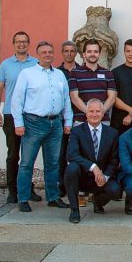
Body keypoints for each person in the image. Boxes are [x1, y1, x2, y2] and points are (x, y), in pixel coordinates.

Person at [11, 41, 73, 212]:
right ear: (37, 54)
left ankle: (53, 197)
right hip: (33, 123)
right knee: (26, 163)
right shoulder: (27, 74)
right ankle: (23, 198)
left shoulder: (59, 75)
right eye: (44, 52)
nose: (47, 54)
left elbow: (66, 99)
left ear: (54, 54)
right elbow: (17, 100)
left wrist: (68, 121)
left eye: (50, 52)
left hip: (55, 123)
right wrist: (19, 123)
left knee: (53, 163)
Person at [0, 31, 39, 203]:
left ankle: (27, 188)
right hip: (11, 115)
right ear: (14, 44)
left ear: (29, 44)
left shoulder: (36, 63)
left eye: (24, 42)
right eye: (18, 42)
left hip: (31, 116)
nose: (21, 44)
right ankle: (12, 190)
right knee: (13, 154)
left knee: (29, 155)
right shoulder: (6, 65)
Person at [64, 99, 123, 223]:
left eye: (98, 111)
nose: (94, 114)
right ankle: (74, 210)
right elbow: (71, 155)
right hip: (83, 177)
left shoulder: (112, 133)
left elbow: (114, 160)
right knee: (71, 168)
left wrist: (105, 176)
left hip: (102, 178)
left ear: (103, 114)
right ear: (86, 113)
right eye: (91, 111)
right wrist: (93, 167)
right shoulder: (77, 131)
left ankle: (98, 201)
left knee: (116, 191)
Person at [68, 40, 117, 126]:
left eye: (95, 51)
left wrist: (99, 114)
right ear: (84, 54)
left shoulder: (108, 73)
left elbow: (112, 97)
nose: (93, 54)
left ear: (99, 54)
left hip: (103, 121)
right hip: (81, 121)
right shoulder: (75, 73)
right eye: (89, 51)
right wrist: (90, 113)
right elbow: (74, 98)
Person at [55, 40, 79, 197]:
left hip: (79, 116)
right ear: (62, 53)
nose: (69, 53)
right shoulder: (56, 72)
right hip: (61, 118)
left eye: (72, 51)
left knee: (78, 153)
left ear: (76, 53)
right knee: (61, 154)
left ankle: (79, 185)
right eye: (66, 51)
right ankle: (61, 185)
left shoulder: (82, 71)